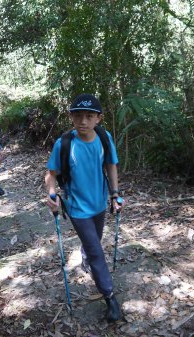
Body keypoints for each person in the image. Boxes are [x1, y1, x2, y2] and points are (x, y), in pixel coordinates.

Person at [44, 93, 124, 322]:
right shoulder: (64, 144)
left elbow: (110, 164)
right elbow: (51, 174)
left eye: (89, 116)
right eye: (78, 116)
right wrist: (52, 195)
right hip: (77, 208)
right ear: (71, 117)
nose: (83, 121)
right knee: (97, 250)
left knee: (93, 243)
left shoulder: (104, 138)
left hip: (99, 203)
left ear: (99, 118)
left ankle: (85, 256)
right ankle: (109, 296)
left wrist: (115, 194)